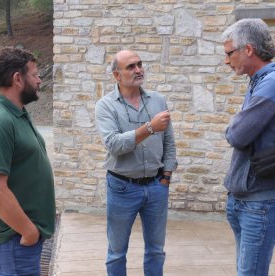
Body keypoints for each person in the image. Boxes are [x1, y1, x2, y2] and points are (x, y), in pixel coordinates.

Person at [221, 18, 275, 275]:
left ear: (248, 49)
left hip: (262, 202)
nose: (226, 61)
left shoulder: (273, 82)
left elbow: (237, 135)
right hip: (249, 198)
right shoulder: (263, 79)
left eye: (229, 53)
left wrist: (233, 125)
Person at [0, 47, 55, 276]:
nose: (39, 80)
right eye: (35, 74)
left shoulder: (16, 113)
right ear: (18, 78)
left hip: (22, 240)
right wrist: (29, 232)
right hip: (15, 241)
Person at [95, 49, 177, 276]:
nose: (139, 69)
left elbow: (169, 141)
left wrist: (167, 176)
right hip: (122, 187)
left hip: (156, 186)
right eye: (131, 66)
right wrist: (150, 127)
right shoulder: (105, 106)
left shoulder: (158, 100)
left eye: (140, 64)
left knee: (156, 251)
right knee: (117, 252)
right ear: (116, 75)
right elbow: (114, 144)